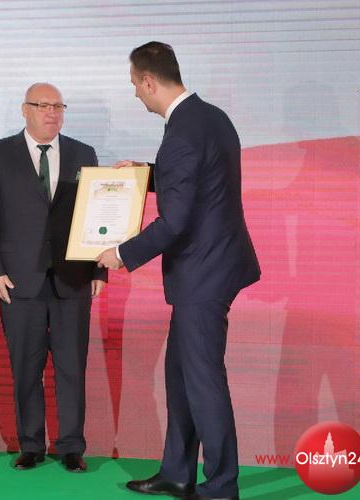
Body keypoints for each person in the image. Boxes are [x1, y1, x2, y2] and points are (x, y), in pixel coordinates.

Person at [96, 42, 260, 500]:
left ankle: (222, 486)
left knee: (203, 380)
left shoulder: (182, 133)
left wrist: (121, 253)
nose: (135, 93)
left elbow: (176, 221)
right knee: (181, 374)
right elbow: (198, 179)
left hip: (203, 273)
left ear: (149, 81)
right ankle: (177, 472)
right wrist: (147, 173)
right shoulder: (210, 117)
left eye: (134, 84)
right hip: (216, 264)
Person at [0, 83, 107, 473]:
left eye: (58, 106)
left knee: (71, 366)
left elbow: (97, 214)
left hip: (72, 278)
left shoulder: (83, 153)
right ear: (24, 109)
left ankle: (71, 446)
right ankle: (31, 444)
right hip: (17, 280)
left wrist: (99, 268)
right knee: (25, 367)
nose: (52, 113)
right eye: (43, 105)